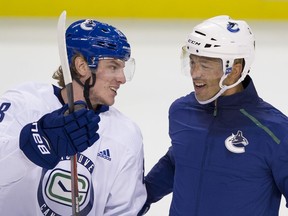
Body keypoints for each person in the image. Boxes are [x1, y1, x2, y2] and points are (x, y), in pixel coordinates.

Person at [139, 15, 288, 216]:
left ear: (235, 71)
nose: (195, 73)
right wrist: (136, 201)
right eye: (192, 62)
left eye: (205, 65)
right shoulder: (182, 111)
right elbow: (179, 162)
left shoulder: (274, 131)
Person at [0, 18, 146, 215]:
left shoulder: (127, 134)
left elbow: (123, 210)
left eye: (123, 67)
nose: (122, 78)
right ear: (82, 66)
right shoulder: (24, 102)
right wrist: (37, 143)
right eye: (113, 66)